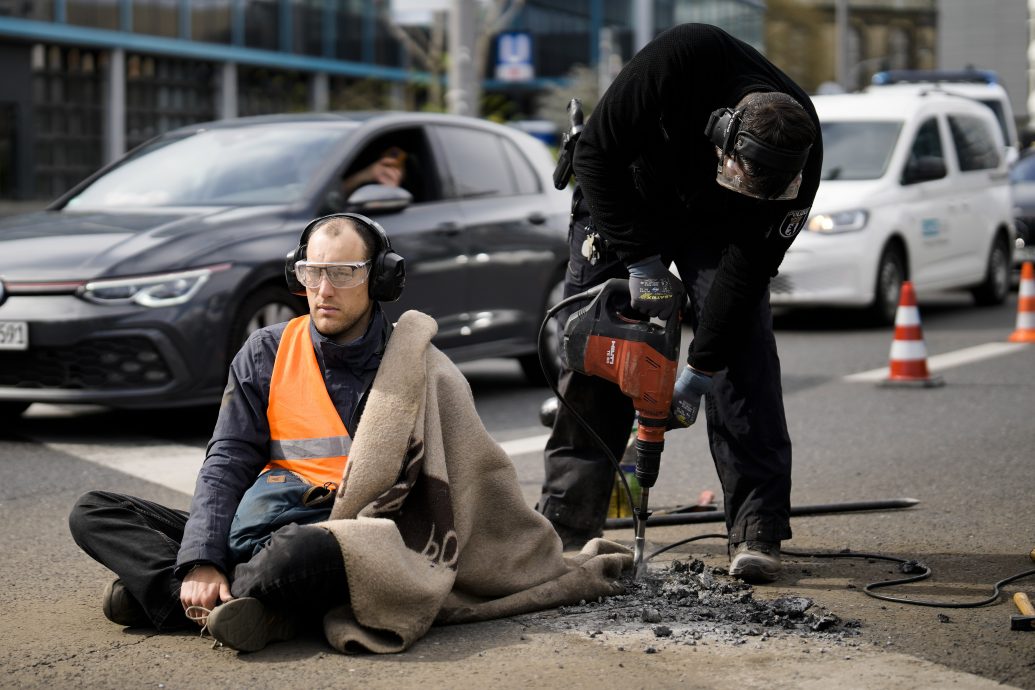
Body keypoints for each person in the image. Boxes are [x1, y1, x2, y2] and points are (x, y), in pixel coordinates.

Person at [70, 213, 630, 654]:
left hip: (346, 536)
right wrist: (200, 559)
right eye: (312, 272)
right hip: (257, 526)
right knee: (94, 511)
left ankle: (179, 601)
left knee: (295, 556)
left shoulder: (420, 367)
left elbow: (470, 486)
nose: (323, 289)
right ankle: (236, 602)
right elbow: (227, 463)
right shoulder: (265, 351)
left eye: (343, 273)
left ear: (381, 278)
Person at [538, 23, 822, 584]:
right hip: (628, 191)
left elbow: (744, 276)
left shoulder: (800, 148)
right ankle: (568, 520)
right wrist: (641, 263)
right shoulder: (679, 60)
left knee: (745, 350)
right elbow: (595, 156)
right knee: (604, 341)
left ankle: (757, 528)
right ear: (723, 134)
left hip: (721, 225)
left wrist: (699, 374)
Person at [341, 147, 407, 199]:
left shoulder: (409, 190)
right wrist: (366, 175)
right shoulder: (368, 175)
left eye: (397, 165)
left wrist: (392, 190)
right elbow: (335, 192)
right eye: (387, 165)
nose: (390, 169)